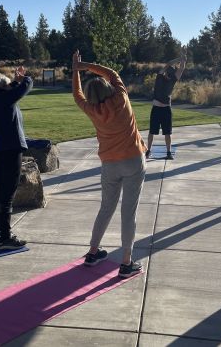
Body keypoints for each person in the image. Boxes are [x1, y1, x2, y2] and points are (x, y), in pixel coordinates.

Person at [72, 50, 146, 278]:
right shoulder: (121, 99)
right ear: (108, 88)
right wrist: (83, 65)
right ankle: (126, 262)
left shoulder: (92, 110)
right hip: (133, 160)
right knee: (128, 212)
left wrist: (75, 71)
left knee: (106, 208)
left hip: (109, 164)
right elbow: (112, 73)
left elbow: (76, 94)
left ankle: (93, 252)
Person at [0, 66, 33, 250]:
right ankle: (5, 237)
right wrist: (25, 78)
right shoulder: (5, 99)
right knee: (8, 194)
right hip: (10, 149)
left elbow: (9, 88)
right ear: (3, 87)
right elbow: (24, 88)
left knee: (1, 191)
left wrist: (13, 80)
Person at [145, 48, 187, 160]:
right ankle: (148, 151)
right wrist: (180, 57)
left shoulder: (173, 79)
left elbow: (182, 68)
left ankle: (168, 153)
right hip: (156, 109)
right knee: (152, 132)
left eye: (171, 73)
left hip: (166, 110)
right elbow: (168, 63)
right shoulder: (159, 77)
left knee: (167, 133)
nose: (169, 74)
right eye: (168, 72)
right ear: (166, 72)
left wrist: (183, 59)